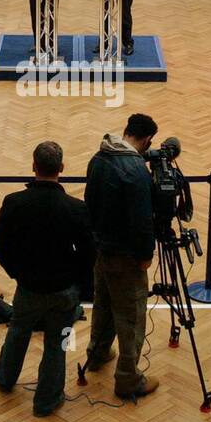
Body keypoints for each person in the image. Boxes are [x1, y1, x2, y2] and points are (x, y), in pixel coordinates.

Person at [0, 141, 95, 417]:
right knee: (57, 343)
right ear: (61, 168)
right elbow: (89, 253)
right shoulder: (75, 208)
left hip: (29, 286)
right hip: (63, 289)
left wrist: (18, 273)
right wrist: (76, 282)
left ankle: (5, 377)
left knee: (18, 331)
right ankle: (47, 401)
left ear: (33, 166)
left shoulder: (14, 203)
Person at [84, 112, 159, 398]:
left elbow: (89, 203)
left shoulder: (98, 157)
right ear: (147, 139)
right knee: (131, 316)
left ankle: (98, 353)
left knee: (103, 304)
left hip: (101, 250)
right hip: (126, 256)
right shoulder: (136, 170)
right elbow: (142, 220)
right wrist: (145, 254)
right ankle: (128, 379)